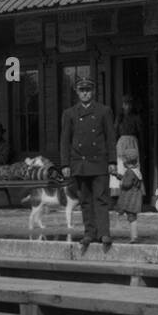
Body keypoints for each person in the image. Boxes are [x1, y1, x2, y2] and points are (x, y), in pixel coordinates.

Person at [60, 76, 116, 252]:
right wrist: (65, 164)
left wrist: (112, 161)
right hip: (80, 163)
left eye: (88, 90)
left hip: (99, 161)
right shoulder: (69, 113)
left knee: (100, 198)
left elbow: (110, 138)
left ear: (93, 92)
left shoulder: (103, 111)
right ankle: (89, 233)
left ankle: (104, 233)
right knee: (85, 199)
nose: (85, 93)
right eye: (82, 90)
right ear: (77, 93)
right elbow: (65, 141)